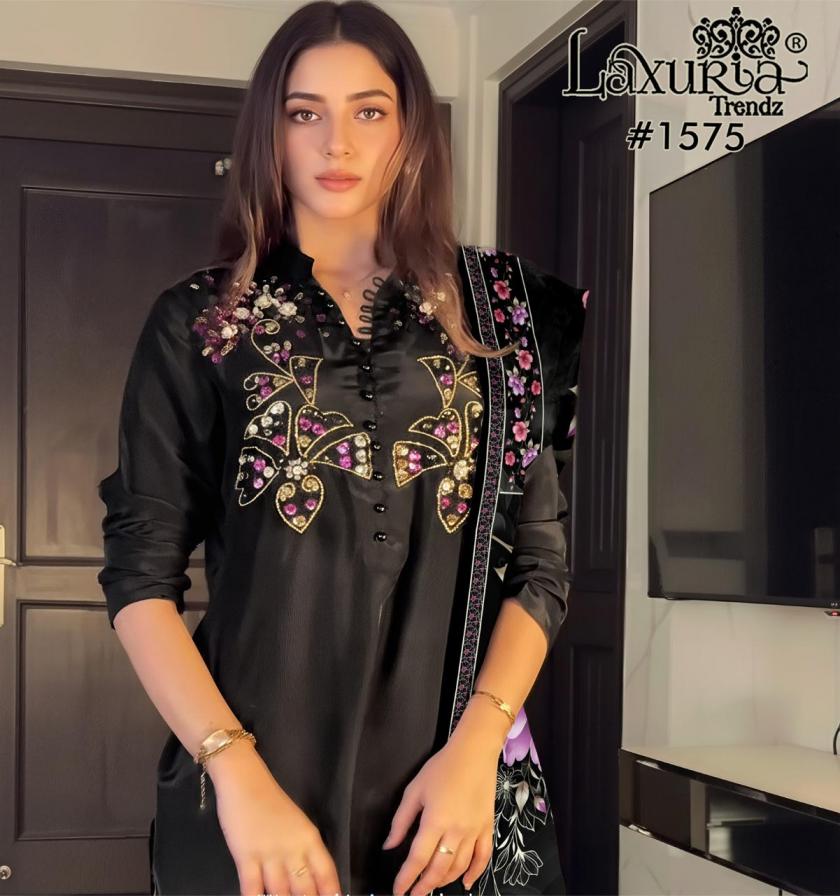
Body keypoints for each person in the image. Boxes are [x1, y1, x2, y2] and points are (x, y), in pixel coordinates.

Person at [96, 2, 589, 895]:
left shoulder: (501, 316)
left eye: (369, 110)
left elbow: (541, 565)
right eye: (304, 112)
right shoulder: (201, 322)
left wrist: (478, 749)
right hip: (255, 793)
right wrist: (237, 775)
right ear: (269, 132)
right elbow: (139, 578)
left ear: (410, 131)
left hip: (452, 795)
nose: (338, 142)